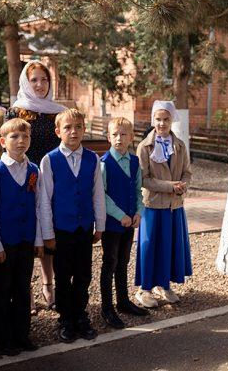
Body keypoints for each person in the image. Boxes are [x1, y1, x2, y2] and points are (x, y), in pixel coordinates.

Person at [38, 108, 105, 343]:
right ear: (58, 132)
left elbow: (97, 194)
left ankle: (80, 315)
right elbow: (45, 200)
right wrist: (47, 234)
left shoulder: (92, 158)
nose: (73, 131)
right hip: (61, 230)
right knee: (64, 275)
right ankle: (65, 318)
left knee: (84, 274)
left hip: (84, 228)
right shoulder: (50, 160)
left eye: (78, 127)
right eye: (67, 127)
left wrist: (100, 225)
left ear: (84, 129)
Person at [5, 60, 66, 311]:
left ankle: (48, 284)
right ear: (25, 82)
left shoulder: (57, 112)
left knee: (49, 232)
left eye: (44, 80)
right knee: (28, 233)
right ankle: (25, 288)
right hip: (24, 179)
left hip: (52, 180)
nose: (40, 85)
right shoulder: (16, 112)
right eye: (34, 80)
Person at [0, 118, 43, 355]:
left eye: (25, 137)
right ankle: (3, 336)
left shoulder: (34, 170)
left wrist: (37, 240)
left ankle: (22, 333)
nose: (20, 141)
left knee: (22, 288)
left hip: (25, 240)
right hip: (4, 242)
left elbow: (37, 207)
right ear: (3, 141)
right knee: (3, 290)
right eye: (14, 137)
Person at [134, 100, 192, 308]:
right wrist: (170, 186)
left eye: (166, 119)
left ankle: (163, 284)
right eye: (158, 119)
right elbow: (144, 179)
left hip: (174, 206)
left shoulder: (180, 145)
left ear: (172, 120)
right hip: (153, 205)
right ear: (153, 120)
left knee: (168, 246)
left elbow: (187, 171)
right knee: (149, 246)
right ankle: (144, 289)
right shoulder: (144, 147)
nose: (161, 123)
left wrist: (183, 185)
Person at [99, 117, 149, 329]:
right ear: (109, 137)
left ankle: (123, 301)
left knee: (123, 261)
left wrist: (139, 211)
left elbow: (138, 190)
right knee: (109, 262)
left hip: (130, 223)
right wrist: (120, 215)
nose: (119, 138)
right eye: (115, 134)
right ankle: (107, 307)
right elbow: (102, 195)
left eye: (123, 134)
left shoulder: (135, 161)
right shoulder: (104, 164)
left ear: (131, 137)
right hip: (112, 223)